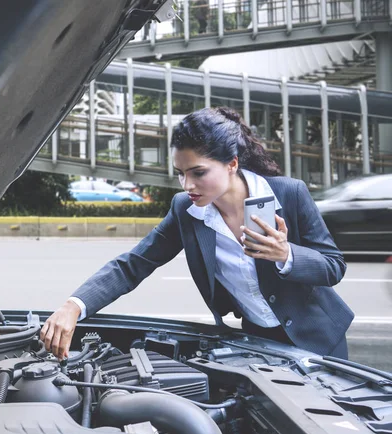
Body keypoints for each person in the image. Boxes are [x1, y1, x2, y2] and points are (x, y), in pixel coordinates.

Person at [40, 107, 354, 361]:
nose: (187, 185)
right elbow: (132, 265)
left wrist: (288, 256)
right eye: (180, 173)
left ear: (231, 164)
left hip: (319, 339)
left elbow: (333, 266)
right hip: (258, 341)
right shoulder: (186, 211)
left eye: (198, 173)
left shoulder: (290, 194)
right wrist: (73, 306)